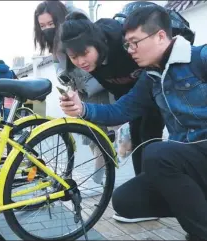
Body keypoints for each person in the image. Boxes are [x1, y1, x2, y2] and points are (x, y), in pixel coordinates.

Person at [59, 5, 207, 240]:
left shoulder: (200, 57)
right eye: (127, 44)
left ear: (160, 36)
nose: (130, 50)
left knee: (157, 153)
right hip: (188, 162)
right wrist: (82, 108)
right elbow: (121, 110)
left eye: (135, 42)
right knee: (126, 201)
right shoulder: (151, 78)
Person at [60, 9, 165, 182]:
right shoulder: (91, 62)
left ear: (98, 43)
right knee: (137, 137)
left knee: (149, 137)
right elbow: (120, 107)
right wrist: (79, 106)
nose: (80, 62)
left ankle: (153, 187)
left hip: (155, 86)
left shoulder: (123, 43)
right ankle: (146, 186)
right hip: (131, 99)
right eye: (73, 57)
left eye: (84, 54)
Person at [34, 0, 112, 185]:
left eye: (50, 24)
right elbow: (57, 61)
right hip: (80, 87)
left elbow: (92, 55)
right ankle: (103, 173)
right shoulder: (54, 40)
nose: (47, 29)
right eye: (42, 26)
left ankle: (101, 175)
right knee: (91, 133)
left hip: (96, 84)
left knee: (99, 132)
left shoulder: (77, 23)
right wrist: (64, 78)